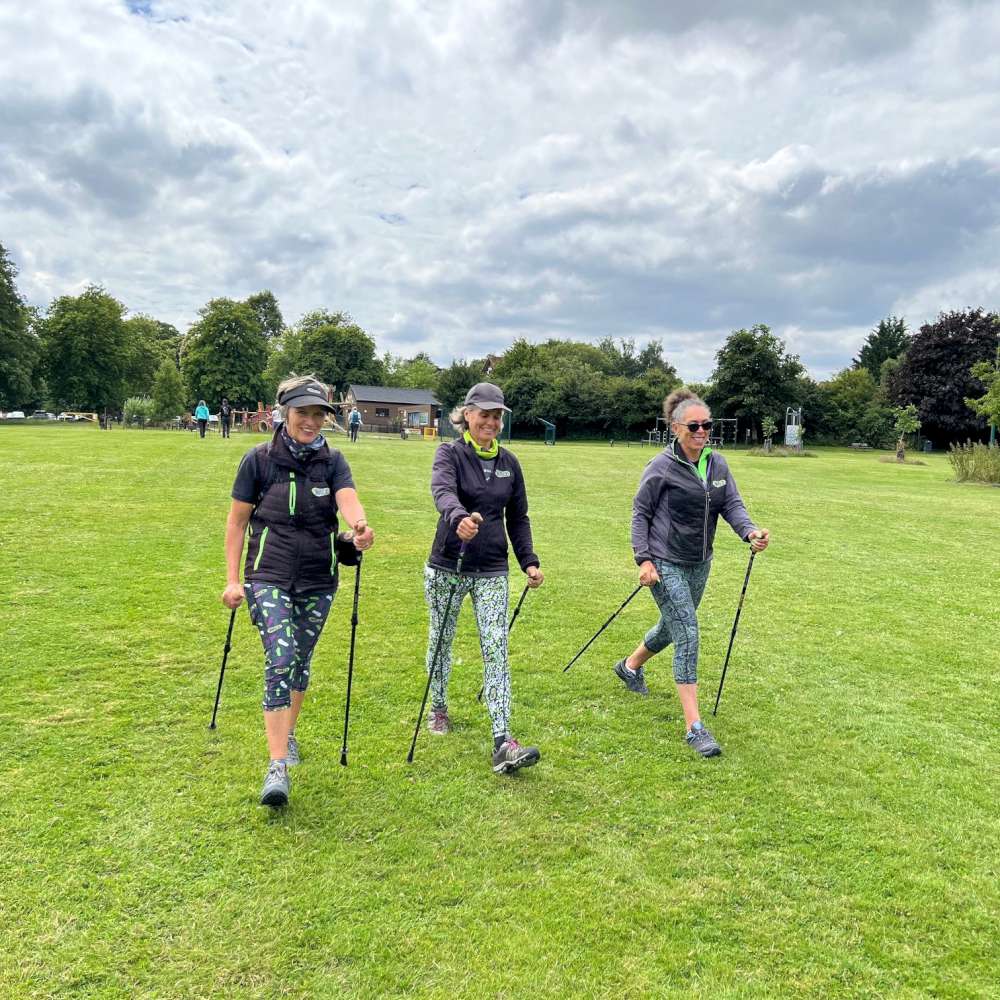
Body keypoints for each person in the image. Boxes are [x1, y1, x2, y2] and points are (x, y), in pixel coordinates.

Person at [221, 374, 375, 807]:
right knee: (281, 657)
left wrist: (359, 526)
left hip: (319, 578)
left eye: (318, 414)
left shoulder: (333, 461)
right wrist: (232, 580)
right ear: (284, 412)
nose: (310, 421)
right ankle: (277, 767)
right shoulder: (258, 460)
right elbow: (236, 523)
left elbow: (347, 499)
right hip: (267, 575)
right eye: (302, 412)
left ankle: (288, 735)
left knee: (300, 661)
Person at [618, 388, 770, 758]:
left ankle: (629, 666)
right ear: (675, 428)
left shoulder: (717, 464)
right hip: (664, 560)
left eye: (707, 425)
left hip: (700, 561)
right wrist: (644, 560)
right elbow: (641, 514)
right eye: (694, 426)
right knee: (687, 631)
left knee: (673, 626)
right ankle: (694, 728)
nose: (702, 431)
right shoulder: (661, 467)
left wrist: (749, 532)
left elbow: (731, 504)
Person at [423, 382, 544, 774]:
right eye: (484, 415)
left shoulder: (510, 462)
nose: (491, 422)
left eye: (497, 416)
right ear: (467, 415)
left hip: (492, 568)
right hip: (448, 565)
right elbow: (442, 491)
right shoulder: (450, 454)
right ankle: (439, 708)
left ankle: (502, 739)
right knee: (441, 639)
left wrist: (528, 561)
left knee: (496, 647)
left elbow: (518, 517)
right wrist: (458, 517)